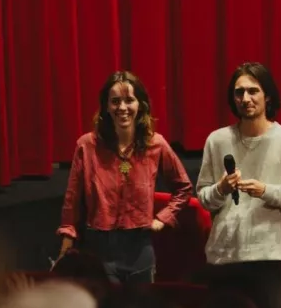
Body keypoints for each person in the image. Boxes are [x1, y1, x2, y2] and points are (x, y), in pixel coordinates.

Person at [196, 62, 281, 308]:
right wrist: (221, 188)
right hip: (224, 258)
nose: (245, 99)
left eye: (253, 91)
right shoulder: (217, 140)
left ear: (268, 96)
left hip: (268, 260)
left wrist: (266, 191)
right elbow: (205, 198)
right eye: (239, 92)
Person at [57, 71, 193, 284]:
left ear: (140, 105)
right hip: (99, 249)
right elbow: (72, 202)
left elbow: (183, 188)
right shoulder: (87, 146)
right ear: (106, 106)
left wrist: (162, 218)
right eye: (115, 101)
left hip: (140, 249)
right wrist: (66, 247)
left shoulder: (156, 144)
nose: (122, 107)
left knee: (141, 305)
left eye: (129, 100)